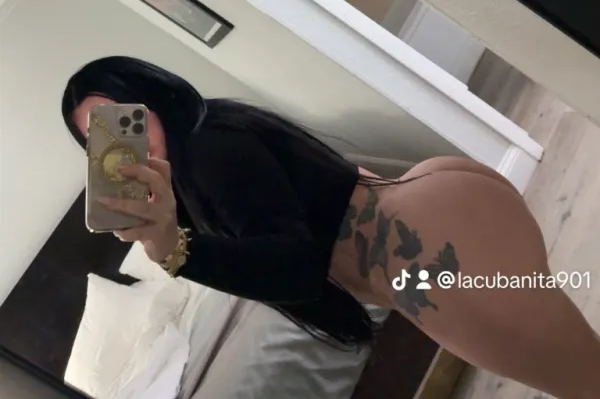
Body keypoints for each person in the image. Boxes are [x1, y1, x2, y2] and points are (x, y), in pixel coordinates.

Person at [62, 55, 600, 399]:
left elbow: (296, 267)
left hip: (426, 256)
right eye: (100, 140)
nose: (124, 143)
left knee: (585, 378)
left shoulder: (207, 153)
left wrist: (174, 252)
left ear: (151, 95)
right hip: (431, 212)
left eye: (121, 119)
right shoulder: (207, 139)